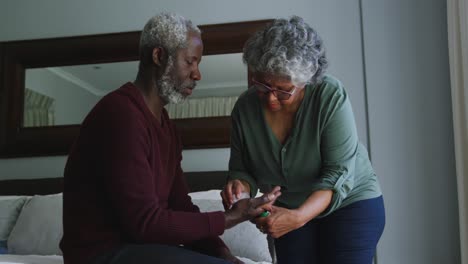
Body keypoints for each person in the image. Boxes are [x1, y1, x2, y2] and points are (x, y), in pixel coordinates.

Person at [60, 13, 281, 264]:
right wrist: (231, 217)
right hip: (98, 255)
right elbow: (145, 223)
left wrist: (224, 255)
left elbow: (179, 206)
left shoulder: (167, 128)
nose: (197, 74)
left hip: (136, 248)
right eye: (190, 62)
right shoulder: (120, 115)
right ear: (159, 56)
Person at [221, 16, 385, 264]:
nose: (272, 99)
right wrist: (239, 187)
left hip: (349, 203)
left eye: (284, 91)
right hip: (288, 208)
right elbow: (242, 169)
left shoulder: (329, 96)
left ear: (305, 82)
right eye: (263, 86)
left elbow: (338, 173)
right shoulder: (244, 109)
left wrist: (299, 217)